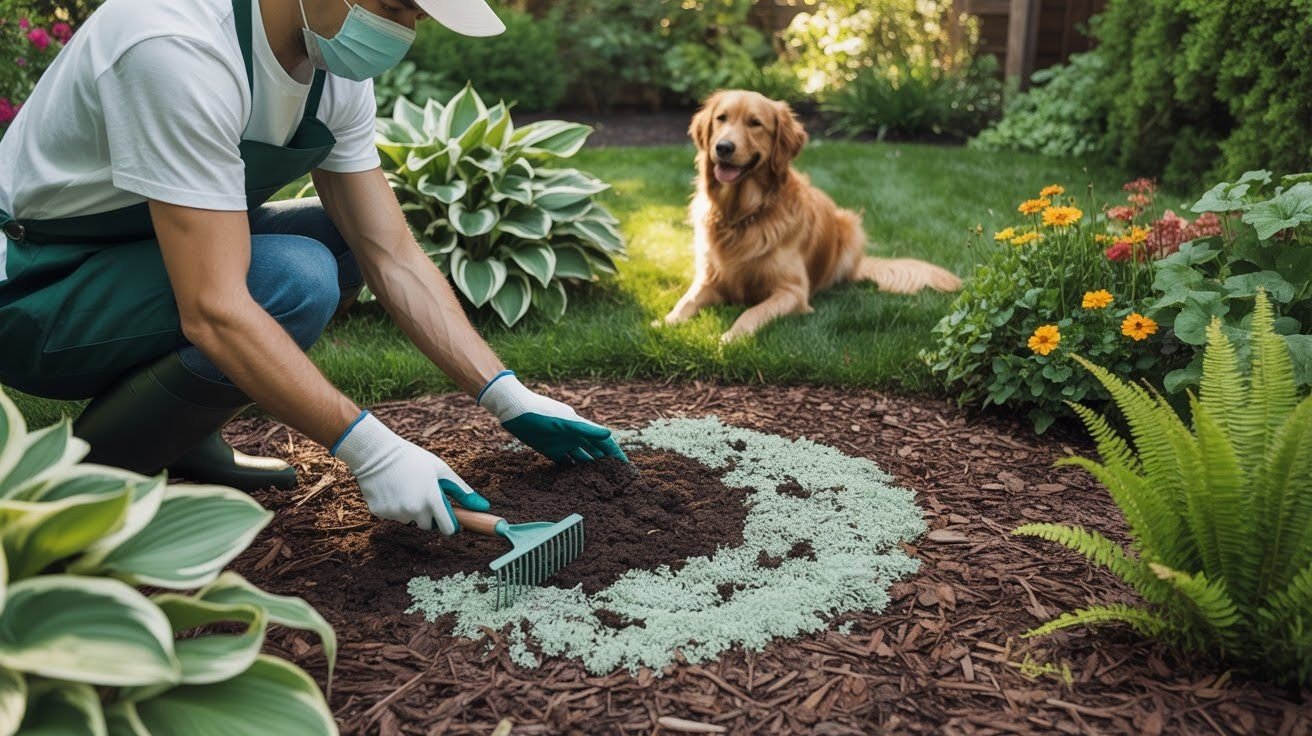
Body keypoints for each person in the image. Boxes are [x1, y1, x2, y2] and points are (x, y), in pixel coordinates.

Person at [0, 0, 627, 535]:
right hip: (37, 282)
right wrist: (372, 453)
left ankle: (180, 437)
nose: (403, 29)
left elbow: (389, 251)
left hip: (144, 252)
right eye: (396, 4)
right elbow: (215, 308)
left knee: (342, 242)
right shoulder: (176, 43)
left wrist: (507, 395)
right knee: (294, 279)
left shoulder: (330, 64)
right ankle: (71, 492)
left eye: (415, 15)